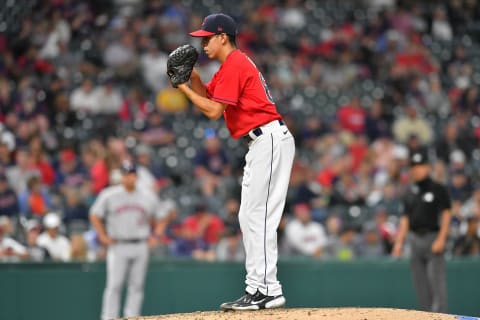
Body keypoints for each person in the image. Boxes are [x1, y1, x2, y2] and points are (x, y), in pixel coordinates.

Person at [178, 13, 295, 311]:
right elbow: (211, 95)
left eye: (207, 38)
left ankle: (268, 289)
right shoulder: (230, 66)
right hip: (261, 142)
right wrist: (192, 78)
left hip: (268, 139)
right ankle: (257, 287)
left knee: (259, 216)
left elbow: (213, 111)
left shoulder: (235, 64)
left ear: (222, 37)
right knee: (249, 216)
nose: (202, 44)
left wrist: (183, 89)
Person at [89, 160, 166, 320]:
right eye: (126, 175)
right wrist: (102, 235)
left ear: (136, 176)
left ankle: (133, 317)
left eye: (131, 174)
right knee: (114, 285)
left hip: (140, 244)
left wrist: (157, 234)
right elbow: (94, 213)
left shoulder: (147, 195)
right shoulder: (109, 194)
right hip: (119, 245)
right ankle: (109, 317)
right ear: (122, 176)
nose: (129, 178)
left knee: (137, 286)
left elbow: (162, 215)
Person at [392, 148, 452, 313]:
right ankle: (426, 316)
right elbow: (405, 219)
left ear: (428, 167)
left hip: (433, 236)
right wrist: (399, 243)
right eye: (414, 166)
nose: (417, 169)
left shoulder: (438, 189)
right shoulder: (409, 191)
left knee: (437, 284)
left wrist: (441, 238)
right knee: (421, 286)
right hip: (414, 239)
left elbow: (447, 214)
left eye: (420, 165)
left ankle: (440, 316)